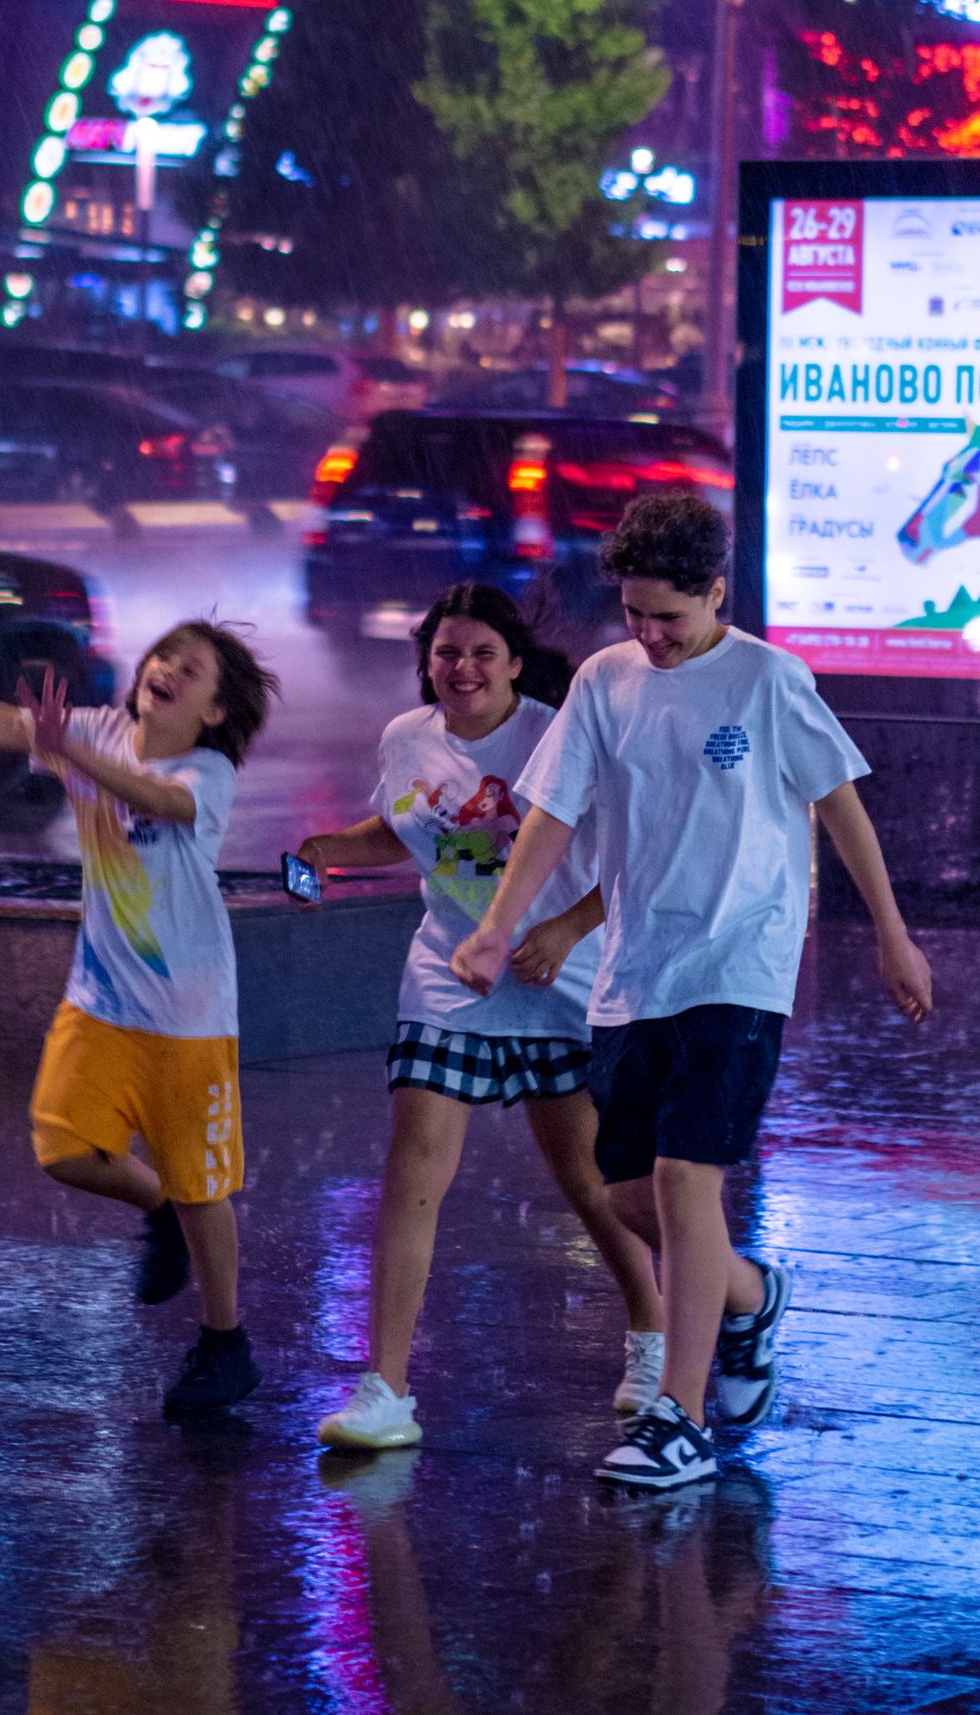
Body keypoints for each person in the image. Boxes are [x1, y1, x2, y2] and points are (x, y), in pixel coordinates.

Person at [451, 493, 933, 1493]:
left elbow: (838, 805)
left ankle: (678, 1416)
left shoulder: (765, 678)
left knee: (682, 1182)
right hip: (635, 972)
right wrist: (499, 921)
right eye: (633, 614)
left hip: (741, 963)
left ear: (717, 591)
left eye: (668, 615)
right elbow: (549, 811)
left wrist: (891, 934)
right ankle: (751, 1298)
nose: (650, 634)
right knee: (627, 1194)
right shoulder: (602, 681)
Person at [0, 614, 279, 1419]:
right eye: (163, 657)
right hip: (101, 999)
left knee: (202, 1184)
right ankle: (157, 1209)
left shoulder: (206, 770)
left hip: (189, 1013)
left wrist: (70, 750)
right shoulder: (99, 727)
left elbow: (155, 797)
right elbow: (4, 723)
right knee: (63, 1147)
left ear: (215, 710)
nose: (167, 670)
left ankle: (226, 1341)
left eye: (191, 670)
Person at [297, 582, 662, 1453]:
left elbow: (629, 851)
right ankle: (386, 1386)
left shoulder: (557, 730)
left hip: (559, 980)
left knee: (590, 1181)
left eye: (480, 653)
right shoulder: (404, 738)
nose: (461, 669)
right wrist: (320, 852)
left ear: (514, 663)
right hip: (450, 975)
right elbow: (410, 835)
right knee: (413, 1166)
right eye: (446, 653)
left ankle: (652, 1332)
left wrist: (568, 931)